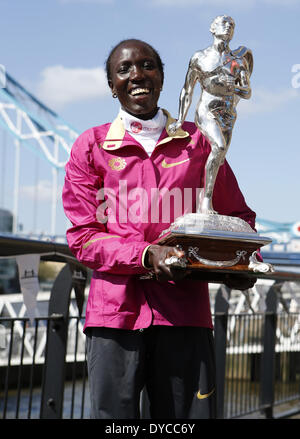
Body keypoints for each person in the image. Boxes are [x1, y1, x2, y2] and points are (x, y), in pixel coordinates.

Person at [62, 38, 257, 419]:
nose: (137, 75)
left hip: (184, 314)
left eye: (148, 65)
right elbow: (83, 238)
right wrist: (147, 254)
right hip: (115, 315)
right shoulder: (91, 146)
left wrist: (241, 263)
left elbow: (238, 218)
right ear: (111, 85)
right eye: (124, 69)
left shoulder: (198, 143)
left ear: (163, 78)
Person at [169, 15, 253, 215]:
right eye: (224, 23)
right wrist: (180, 119)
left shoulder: (238, 61)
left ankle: (206, 193)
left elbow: (247, 92)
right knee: (219, 146)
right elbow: (187, 90)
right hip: (206, 110)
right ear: (212, 28)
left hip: (228, 114)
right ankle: (205, 201)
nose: (228, 27)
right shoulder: (199, 57)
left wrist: (237, 89)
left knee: (219, 158)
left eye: (232, 24)